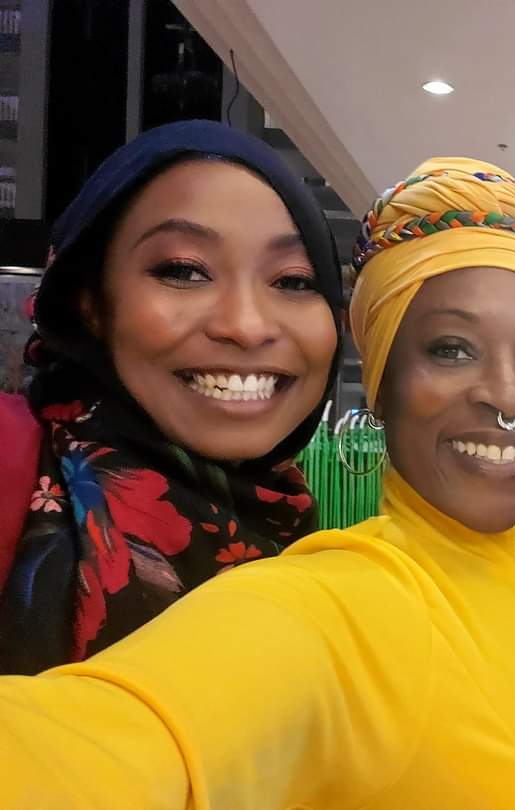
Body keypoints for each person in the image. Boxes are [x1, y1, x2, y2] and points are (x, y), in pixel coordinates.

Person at [0, 158, 515, 809]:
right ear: (381, 384)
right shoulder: (340, 606)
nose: (508, 394)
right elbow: (102, 745)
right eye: (451, 348)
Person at [0, 120, 342, 674]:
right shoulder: (10, 463)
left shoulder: (312, 548)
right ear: (90, 301)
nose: (247, 326)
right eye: (184, 271)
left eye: (294, 281)